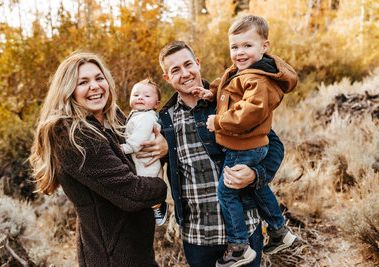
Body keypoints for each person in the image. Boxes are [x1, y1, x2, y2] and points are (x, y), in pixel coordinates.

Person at [142, 40, 285, 267]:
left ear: (197, 64)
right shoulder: (163, 120)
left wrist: (255, 174)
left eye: (188, 64)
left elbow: (274, 145)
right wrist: (164, 152)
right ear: (167, 78)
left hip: (243, 232)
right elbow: (147, 163)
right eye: (175, 70)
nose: (185, 73)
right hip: (197, 235)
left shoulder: (228, 100)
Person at [29, 52, 168, 267]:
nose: (95, 86)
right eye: (83, 82)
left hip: (137, 250)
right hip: (112, 257)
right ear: (69, 91)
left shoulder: (112, 117)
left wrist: (163, 148)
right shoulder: (74, 135)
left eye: (99, 78)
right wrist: (160, 185)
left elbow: (142, 153)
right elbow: (132, 193)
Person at [192, 15, 297, 266]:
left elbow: (250, 112)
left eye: (247, 46)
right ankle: (279, 231)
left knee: (226, 193)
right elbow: (230, 87)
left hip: (244, 146)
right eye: (234, 46)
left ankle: (239, 246)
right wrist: (212, 92)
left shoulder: (258, 78)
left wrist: (217, 121)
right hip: (248, 146)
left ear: (265, 46)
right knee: (257, 187)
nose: (240, 52)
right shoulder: (245, 71)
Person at [121, 78, 169, 226]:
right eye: (136, 95)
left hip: (146, 160)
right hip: (141, 158)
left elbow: (140, 137)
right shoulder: (136, 115)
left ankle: (158, 206)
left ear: (156, 104)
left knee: (148, 185)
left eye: (146, 96)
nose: (140, 97)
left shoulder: (147, 117)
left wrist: (126, 148)